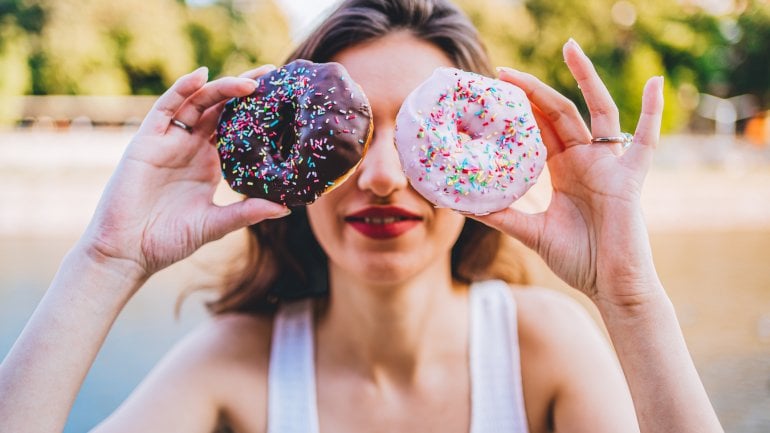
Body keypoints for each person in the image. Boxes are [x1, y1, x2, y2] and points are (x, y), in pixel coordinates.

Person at [0, 0, 723, 432]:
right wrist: (105, 260)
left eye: (412, 135)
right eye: (352, 139)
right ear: (297, 175)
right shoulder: (232, 364)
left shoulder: (545, 349)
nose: (380, 178)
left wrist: (628, 296)